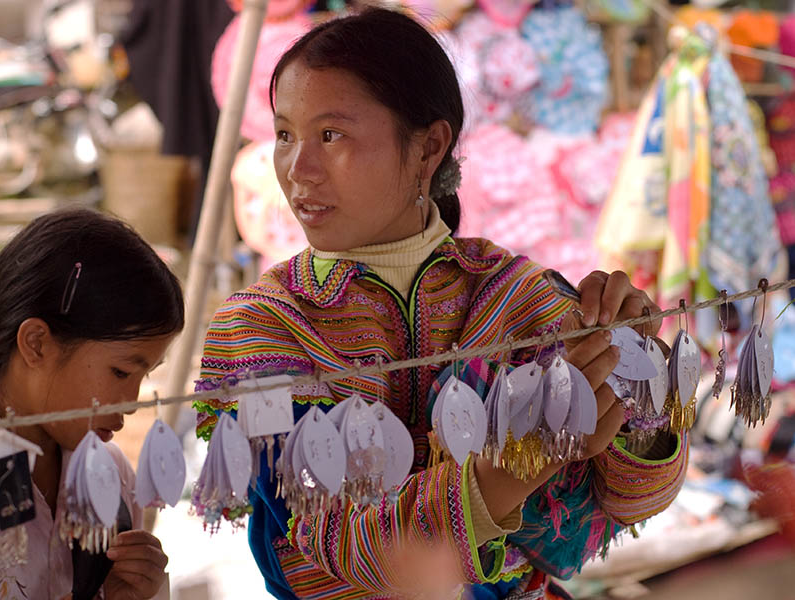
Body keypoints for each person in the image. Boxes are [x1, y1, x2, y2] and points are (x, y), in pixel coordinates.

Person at [196, 7, 688, 600]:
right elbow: (339, 535)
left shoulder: (517, 296)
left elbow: (633, 500)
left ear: (429, 148)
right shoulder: (259, 329)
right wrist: (519, 464)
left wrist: (640, 380)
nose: (298, 170)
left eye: (330, 135)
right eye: (284, 135)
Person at [0, 209, 184, 599]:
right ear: (36, 344)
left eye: (145, 375)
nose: (131, 403)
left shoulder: (111, 477)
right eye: (120, 372)